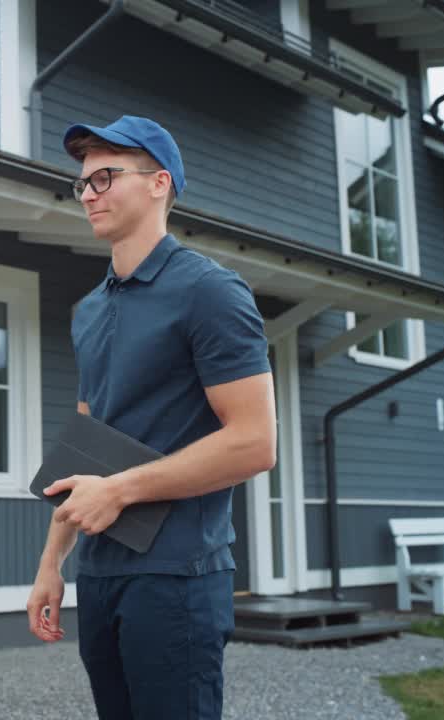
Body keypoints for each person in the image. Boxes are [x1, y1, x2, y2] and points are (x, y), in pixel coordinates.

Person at [25, 115, 277, 719]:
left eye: (105, 177)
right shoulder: (88, 310)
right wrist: (50, 565)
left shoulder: (210, 292)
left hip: (179, 577)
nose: (89, 193)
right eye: (82, 183)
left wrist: (121, 489)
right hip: (103, 570)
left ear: (159, 183)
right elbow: (86, 448)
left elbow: (255, 442)